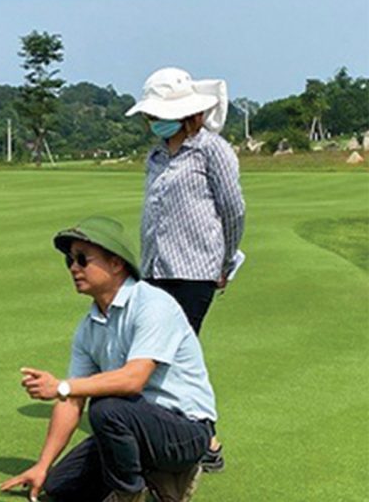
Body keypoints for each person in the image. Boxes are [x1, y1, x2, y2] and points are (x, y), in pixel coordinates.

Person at [0, 216, 216, 502]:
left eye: (82, 259)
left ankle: (132, 493)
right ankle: (149, 474)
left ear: (116, 264)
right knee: (60, 487)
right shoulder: (88, 326)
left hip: (185, 432)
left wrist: (62, 386)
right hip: (136, 425)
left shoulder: (153, 305)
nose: (74, 268)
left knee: (106, 406)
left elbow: (132, 380)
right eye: (70, 261)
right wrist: (42, 465)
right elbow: (72, 402)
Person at [126, 67, 246, 471]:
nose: (153, 122)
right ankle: (173, 435)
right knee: (157, 354)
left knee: (174, 356)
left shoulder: (212, 149)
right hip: (155, 270)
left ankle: (204, 438)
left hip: (196, 270)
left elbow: (233, 210)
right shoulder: (156, 155)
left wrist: (227, 260)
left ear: (188, 112)